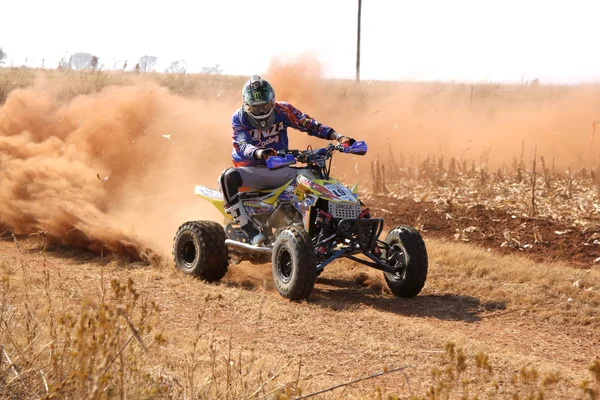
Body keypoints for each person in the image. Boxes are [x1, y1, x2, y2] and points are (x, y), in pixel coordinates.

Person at [218, 75, 354, 245]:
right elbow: (243, 143)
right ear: (246, 106)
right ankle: (251, 232)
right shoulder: (239, 118)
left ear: (272, 102)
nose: (261, 112)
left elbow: (309, 124)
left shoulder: (283, 110)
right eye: (256, 109)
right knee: (226, 178)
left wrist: (338, 137)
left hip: (280, 169)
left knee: (313, 175)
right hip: (252, 171)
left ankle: (337, 223)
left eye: (265, 107)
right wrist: (258, 152)